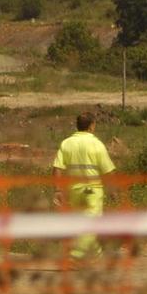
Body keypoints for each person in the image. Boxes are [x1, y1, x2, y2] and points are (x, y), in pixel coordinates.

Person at [52, 111, 116, 261]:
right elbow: (108, 170)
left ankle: (97, 255)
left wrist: (57, 190)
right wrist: (113, 189)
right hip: (93, 191)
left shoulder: (66, 143)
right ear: (92, 126)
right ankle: (74, 257)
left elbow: (57, 168)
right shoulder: (97, 144)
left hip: (74, 191)